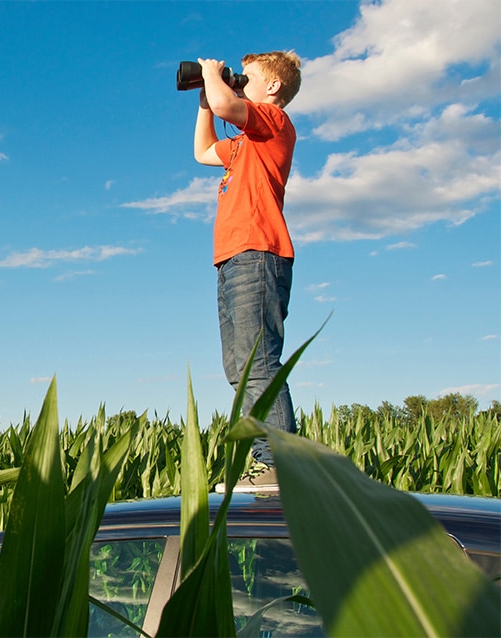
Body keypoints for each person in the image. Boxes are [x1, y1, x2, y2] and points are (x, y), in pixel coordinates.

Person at [193, 51, 303, 492]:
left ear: (272, 88)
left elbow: (227, 107)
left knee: (258, 363)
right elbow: (202, 152)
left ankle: (277, 463)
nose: (238, 84)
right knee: (239, 369)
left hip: (259, 252)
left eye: (248, 78)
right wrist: (206, 96)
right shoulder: (242, 145)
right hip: (232, 258)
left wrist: (212, 76)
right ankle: (267, 464)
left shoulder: (274, 122)